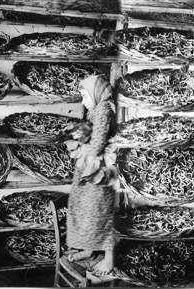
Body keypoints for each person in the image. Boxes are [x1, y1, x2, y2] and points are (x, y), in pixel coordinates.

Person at [63, 75, 118, 278]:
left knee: (101, 212)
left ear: (96, 93)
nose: (84, 100)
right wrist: (78, 132)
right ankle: (89, 247)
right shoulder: (96, 109)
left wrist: (77, 140)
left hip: (100, 171)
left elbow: (95, 147)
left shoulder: (103, 110)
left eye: (85, 95)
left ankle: (109, 257)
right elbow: (91, 134)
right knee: (87, 211)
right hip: (90, 168)